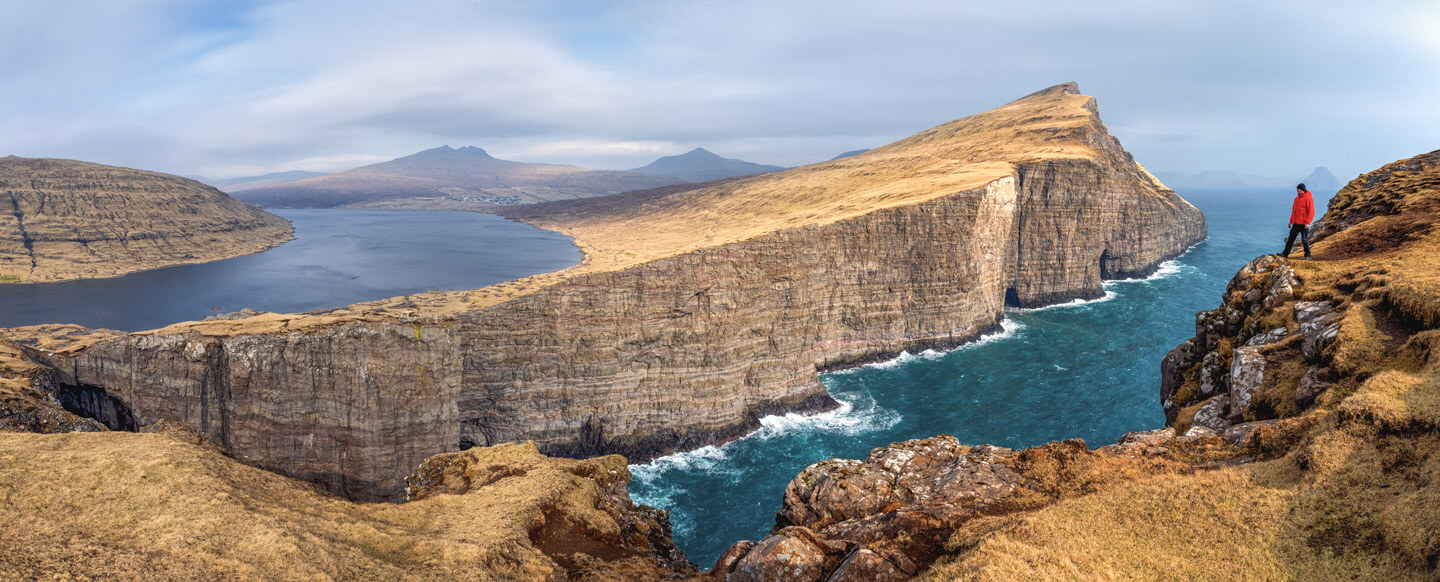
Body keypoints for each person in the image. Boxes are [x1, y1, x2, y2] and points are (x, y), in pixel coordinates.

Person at [1282, 183, 1314, 260]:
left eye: (1299, 190)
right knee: (1290, 239)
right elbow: (1294, 211)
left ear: (1303, 190)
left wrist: (1308, 223)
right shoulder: (1296, 199)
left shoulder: (1309, 198)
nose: (1297, 191)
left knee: (1304, 240)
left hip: (1304, 224)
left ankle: (1307, 256)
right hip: (1296, 223)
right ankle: (1285, 254)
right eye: (1297, 190)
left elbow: (1311, 212)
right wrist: (1290, 221)